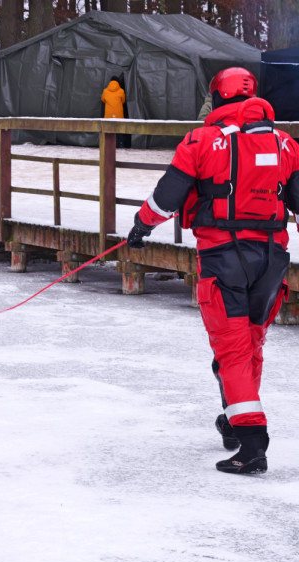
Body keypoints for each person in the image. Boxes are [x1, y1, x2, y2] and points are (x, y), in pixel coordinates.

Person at [127, 67, 299, 475]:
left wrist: (141, 225)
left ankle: (252, 443)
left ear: (217, 99)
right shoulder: (286, 144)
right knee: (249, 345)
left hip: (224, 258)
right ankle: (234, 419)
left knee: (233, 351)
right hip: (272, 259)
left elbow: (168, 195)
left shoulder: (201, 140)